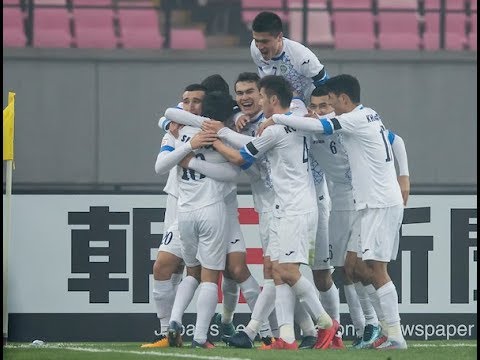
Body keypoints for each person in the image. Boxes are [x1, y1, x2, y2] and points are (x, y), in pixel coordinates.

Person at [262, 74, 409, 350]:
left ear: (341, 100)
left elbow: (394, 140)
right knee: (352, 268)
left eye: (328, 103)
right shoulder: (367, 115)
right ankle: (378, 327)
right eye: (317, 105)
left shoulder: (350, 120)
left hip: (377, 201)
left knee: (375, 269)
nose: (323, 108)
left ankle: (393, 334)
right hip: (360, 202)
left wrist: (278, 118)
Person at [209, 75, 339, 350]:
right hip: (288, 206)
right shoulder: (296, 120)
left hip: (295, 208)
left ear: (272, 100)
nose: (258, 101)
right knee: (277, 271)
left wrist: (216, 136)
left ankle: (325, 323)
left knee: (288, 271)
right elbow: (252, 136)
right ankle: (288, 338)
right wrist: (222, 130)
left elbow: (241, 155)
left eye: (262, 97)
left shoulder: (276, 130)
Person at [141, 83, 210, 348]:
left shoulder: (212, 130)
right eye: (185, 101)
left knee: (216, 271)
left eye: (196, 101)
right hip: (177, 203)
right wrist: (174, 133)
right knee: (163, 267)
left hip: (208, 205)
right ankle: (166, 332)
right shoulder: (174, 129)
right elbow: (161, 165)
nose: (189, 106)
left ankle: (216, 330)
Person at [249, 11, 329, 104]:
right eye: (256, 40)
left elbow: (326, 85)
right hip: (278, 105)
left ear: (279, 37)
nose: (260, 47)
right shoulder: (254, 48)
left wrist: (316, 110)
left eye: (265, 41)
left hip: (307, 108)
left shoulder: (302, 57)